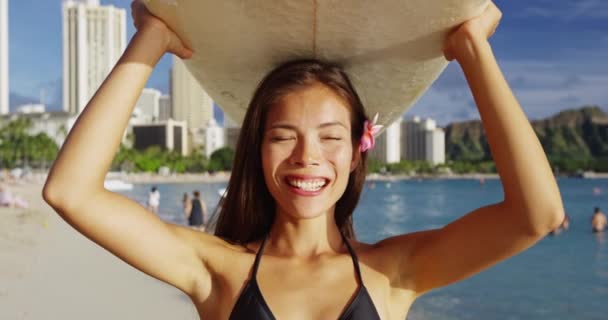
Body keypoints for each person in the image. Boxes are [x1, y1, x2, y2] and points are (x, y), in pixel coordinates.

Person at [42, 1, 565, 318]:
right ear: (256, 149)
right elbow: (71, 192)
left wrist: (472, 48)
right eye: (283, 136)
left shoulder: (395, 272)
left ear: (359, 150)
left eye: (330, 137)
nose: (307, 158)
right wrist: (150, 39)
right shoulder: (218, 270)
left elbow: (535, 216)